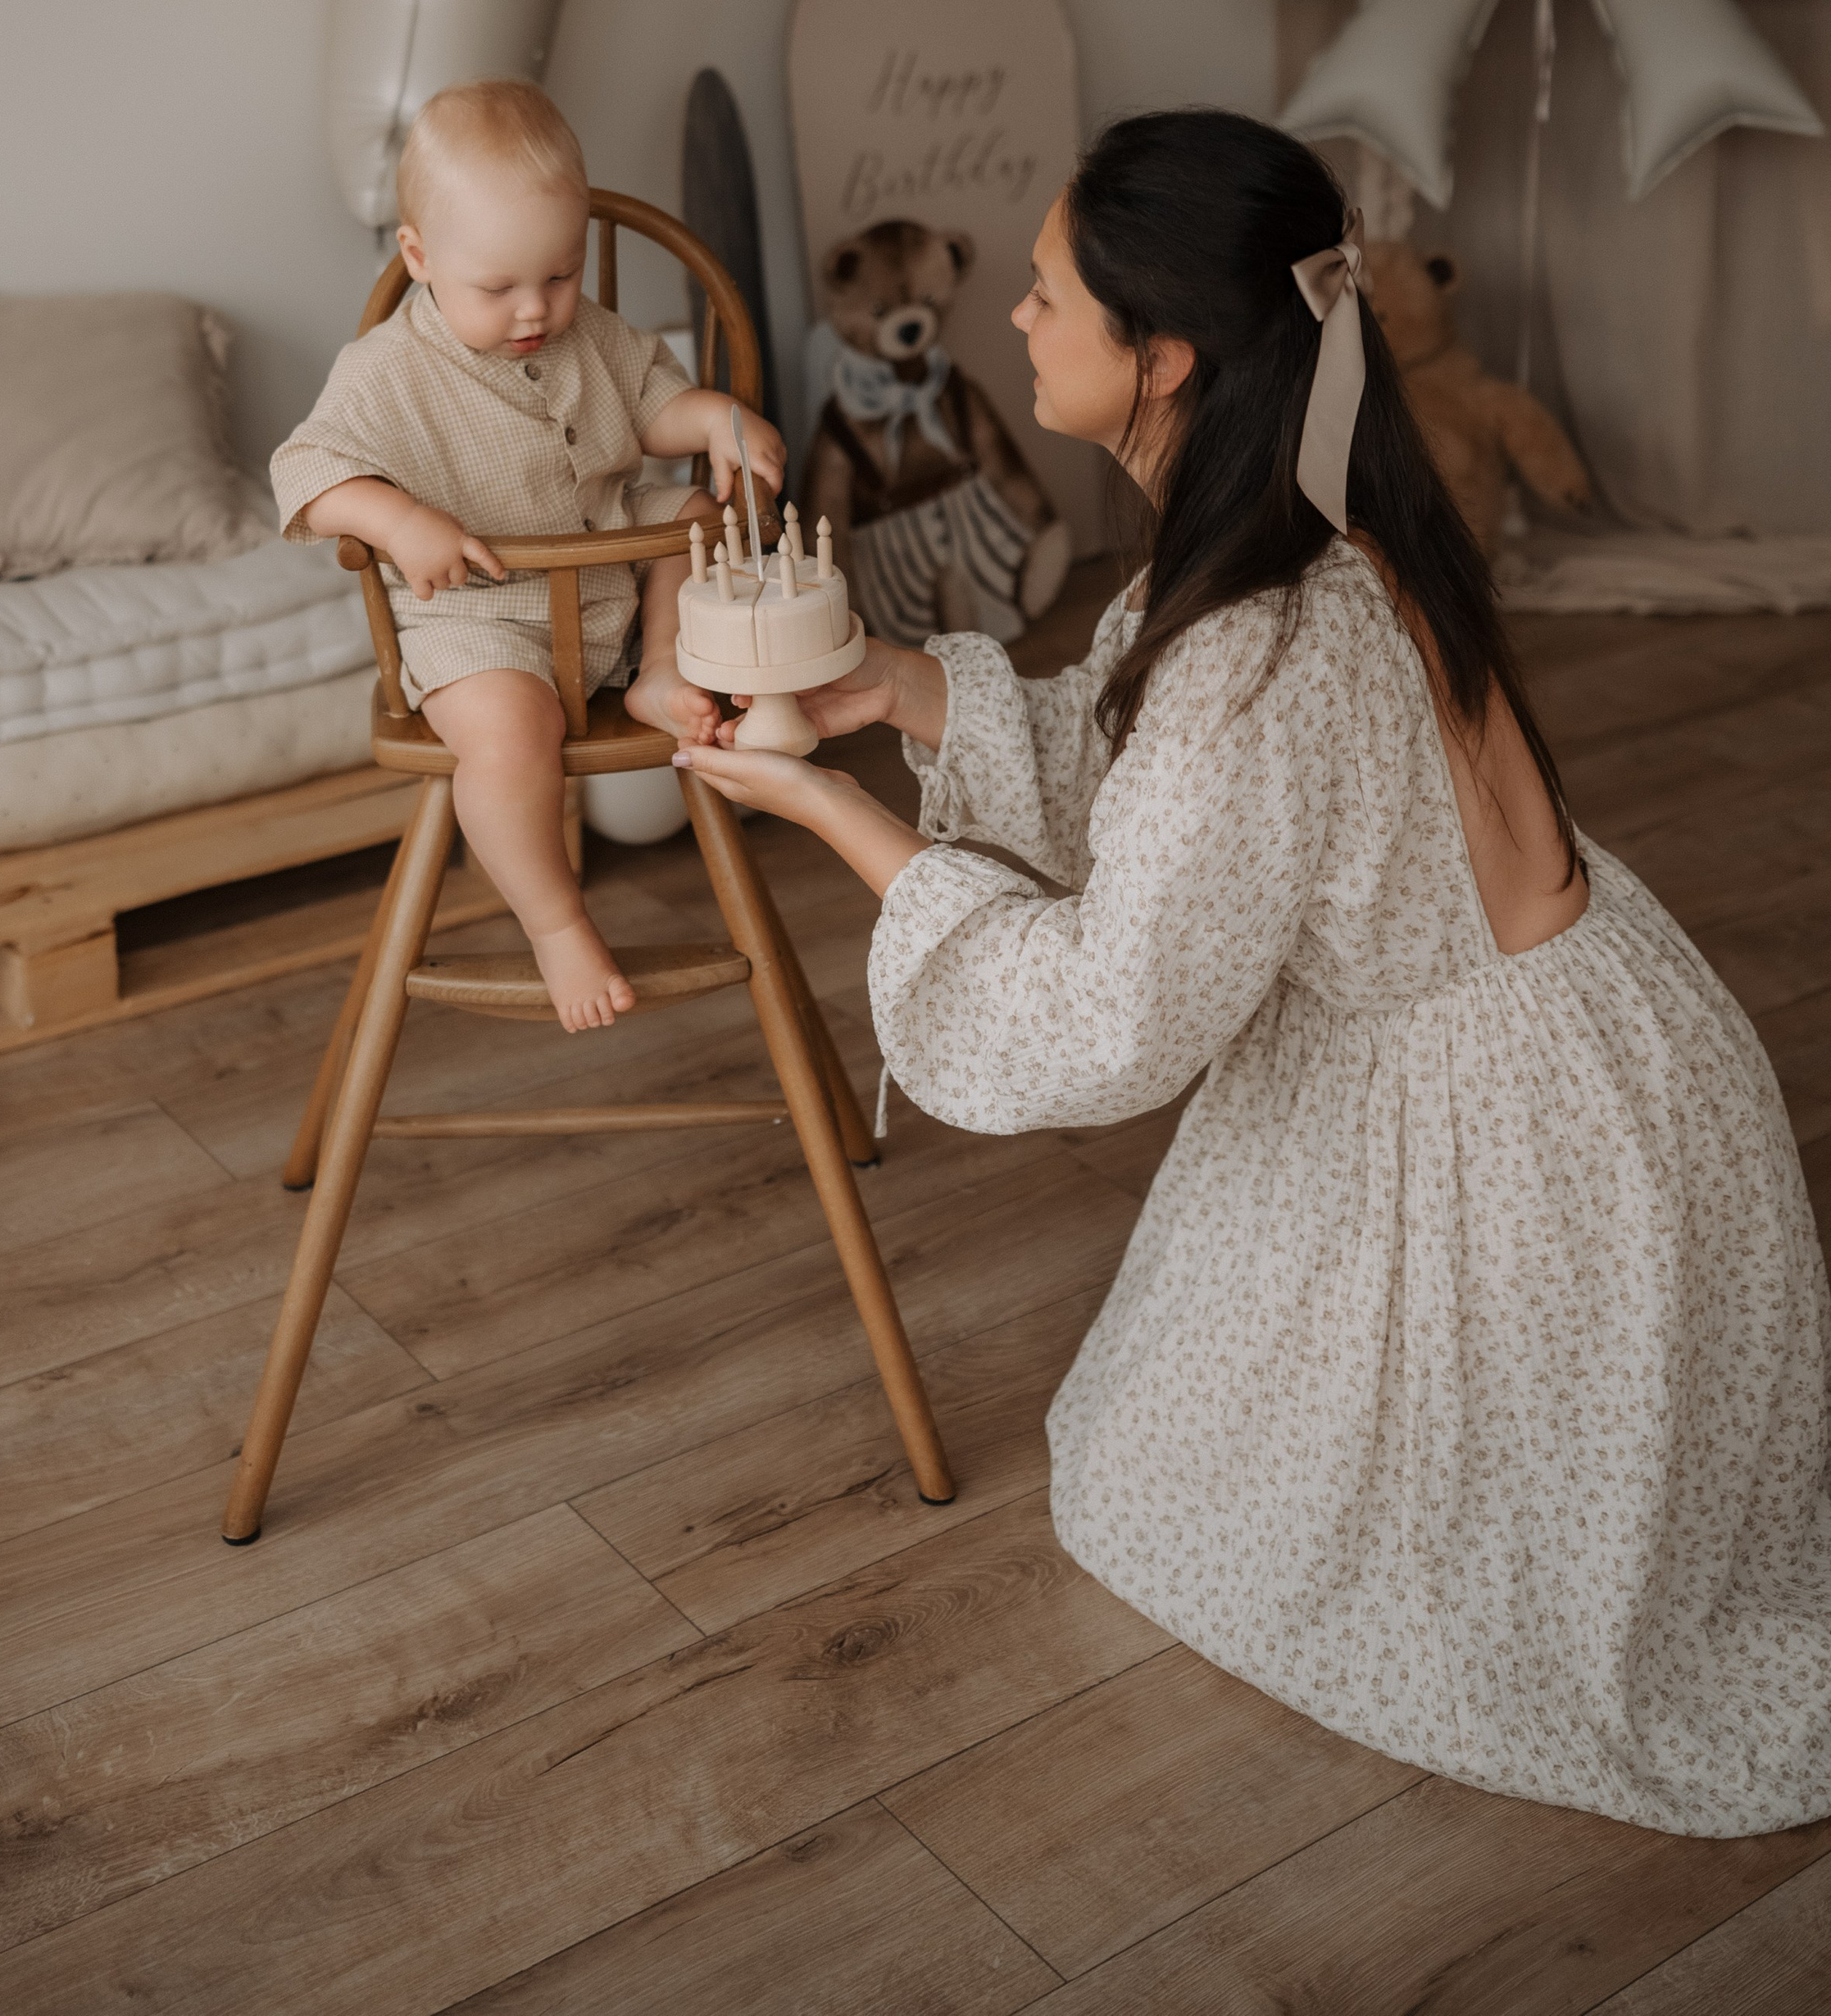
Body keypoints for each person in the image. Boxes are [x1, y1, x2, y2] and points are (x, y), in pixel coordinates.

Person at [675, 109, 1831, 1837]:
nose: (1014, 318)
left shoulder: (1256, 642)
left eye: (1051, 295)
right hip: (1598, 1045)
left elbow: (1101, 1014)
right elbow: (1137, 771)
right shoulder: (1302, 524)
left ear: (1163, 356)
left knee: (1183, 1514)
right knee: (1158, 1453)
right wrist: (896, 691)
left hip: (1541, 1167)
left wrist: (827, 814)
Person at [274, 79, 780, 1032]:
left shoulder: (589, 331)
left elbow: (650, 404)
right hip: (479, 623)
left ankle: (659, 672)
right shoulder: (387, 371)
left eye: (559, 272)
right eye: (497, 287)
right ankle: (554, 923)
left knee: (692, 512)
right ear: (419, 257)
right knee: (509, 736)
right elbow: (302, 471)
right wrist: (392, 519)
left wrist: (717, 416)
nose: (534, 310)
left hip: (610, 592)